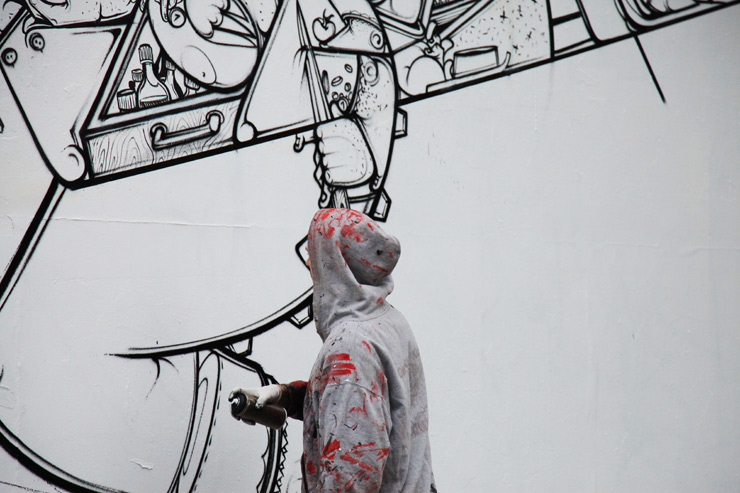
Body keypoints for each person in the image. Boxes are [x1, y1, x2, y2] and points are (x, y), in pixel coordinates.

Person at [231, 208, 436, 492]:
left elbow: (352, 476)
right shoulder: (387, 320)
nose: (308, 262)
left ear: (337, 263)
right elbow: (361, 404)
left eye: (314, 252)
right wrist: (286, 395)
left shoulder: (351, 347)